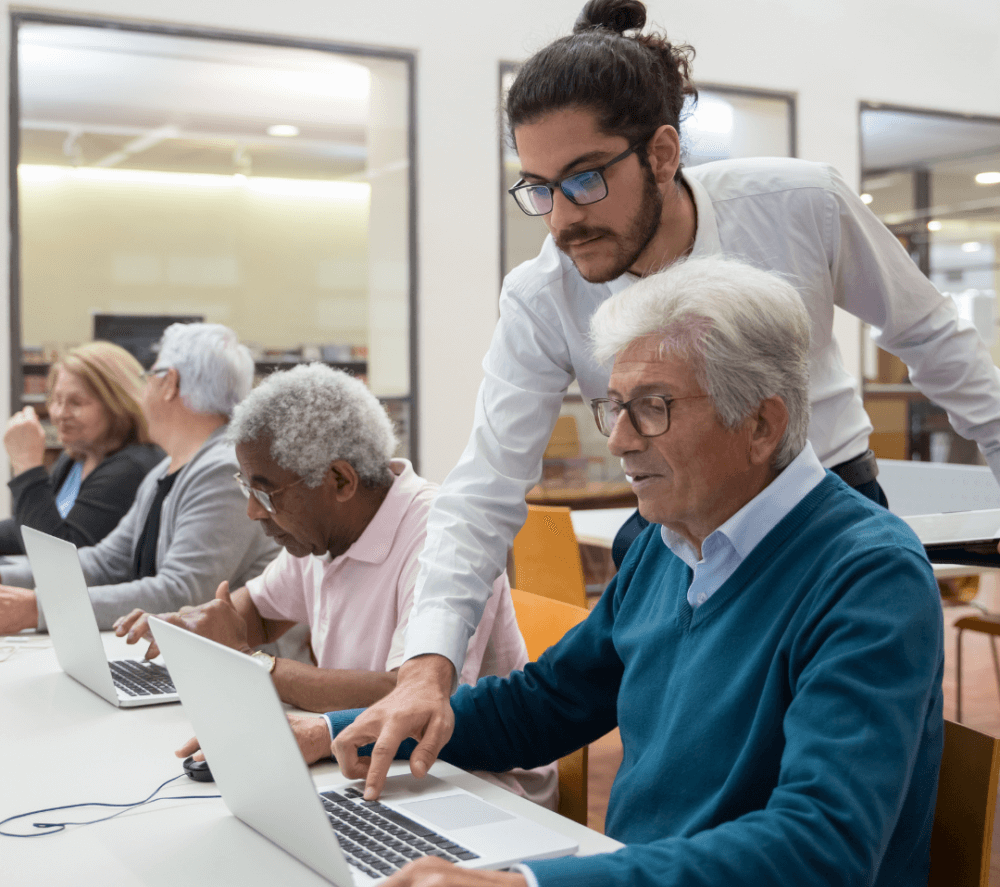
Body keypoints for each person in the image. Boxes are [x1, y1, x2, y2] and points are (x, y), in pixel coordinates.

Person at [343, 0, 1000, 797]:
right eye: (537, 188)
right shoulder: (543, 291)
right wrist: (426, 664)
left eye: (583, 181)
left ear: (660, 153)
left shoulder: (799, 204)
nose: (558, 221)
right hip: (676, 536)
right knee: (680, 776)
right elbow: (482, 491)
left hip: (822, 514)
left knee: (843, 780)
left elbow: (938, 344)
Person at [315, 258, 944, 886]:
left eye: (651, 407)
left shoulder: (869, 575)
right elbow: (546, 705)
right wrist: (335, 732)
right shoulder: (665, 543)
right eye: (614, 407)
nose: (617, 440)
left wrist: (528, 884)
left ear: (761, 423)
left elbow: (820, 849)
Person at [115, 364, 556, 807]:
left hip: (475, 779)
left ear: (340, 481)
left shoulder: (439, 538)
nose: (252, 511)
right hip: (366, 754)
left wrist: (256, 664)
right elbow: (255, 613)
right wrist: (192, 629)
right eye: (245, 487)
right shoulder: (319, 537)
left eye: (266, 494)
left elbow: (407, 696)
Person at [0, 323, 280, 633]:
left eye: (148, 377)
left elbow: (181, 593)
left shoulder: (223, 471)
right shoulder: (165, 471)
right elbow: (105, 563)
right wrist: (7, 579)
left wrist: (38, 609)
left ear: (169, 383)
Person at [0, 341, 163, 555]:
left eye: (76, 403)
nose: (60, 413)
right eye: (56, 400)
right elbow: (33, 527)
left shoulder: (131, 468)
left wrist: (27, 466)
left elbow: (58, 556)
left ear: (117, 405)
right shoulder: (76, 458)